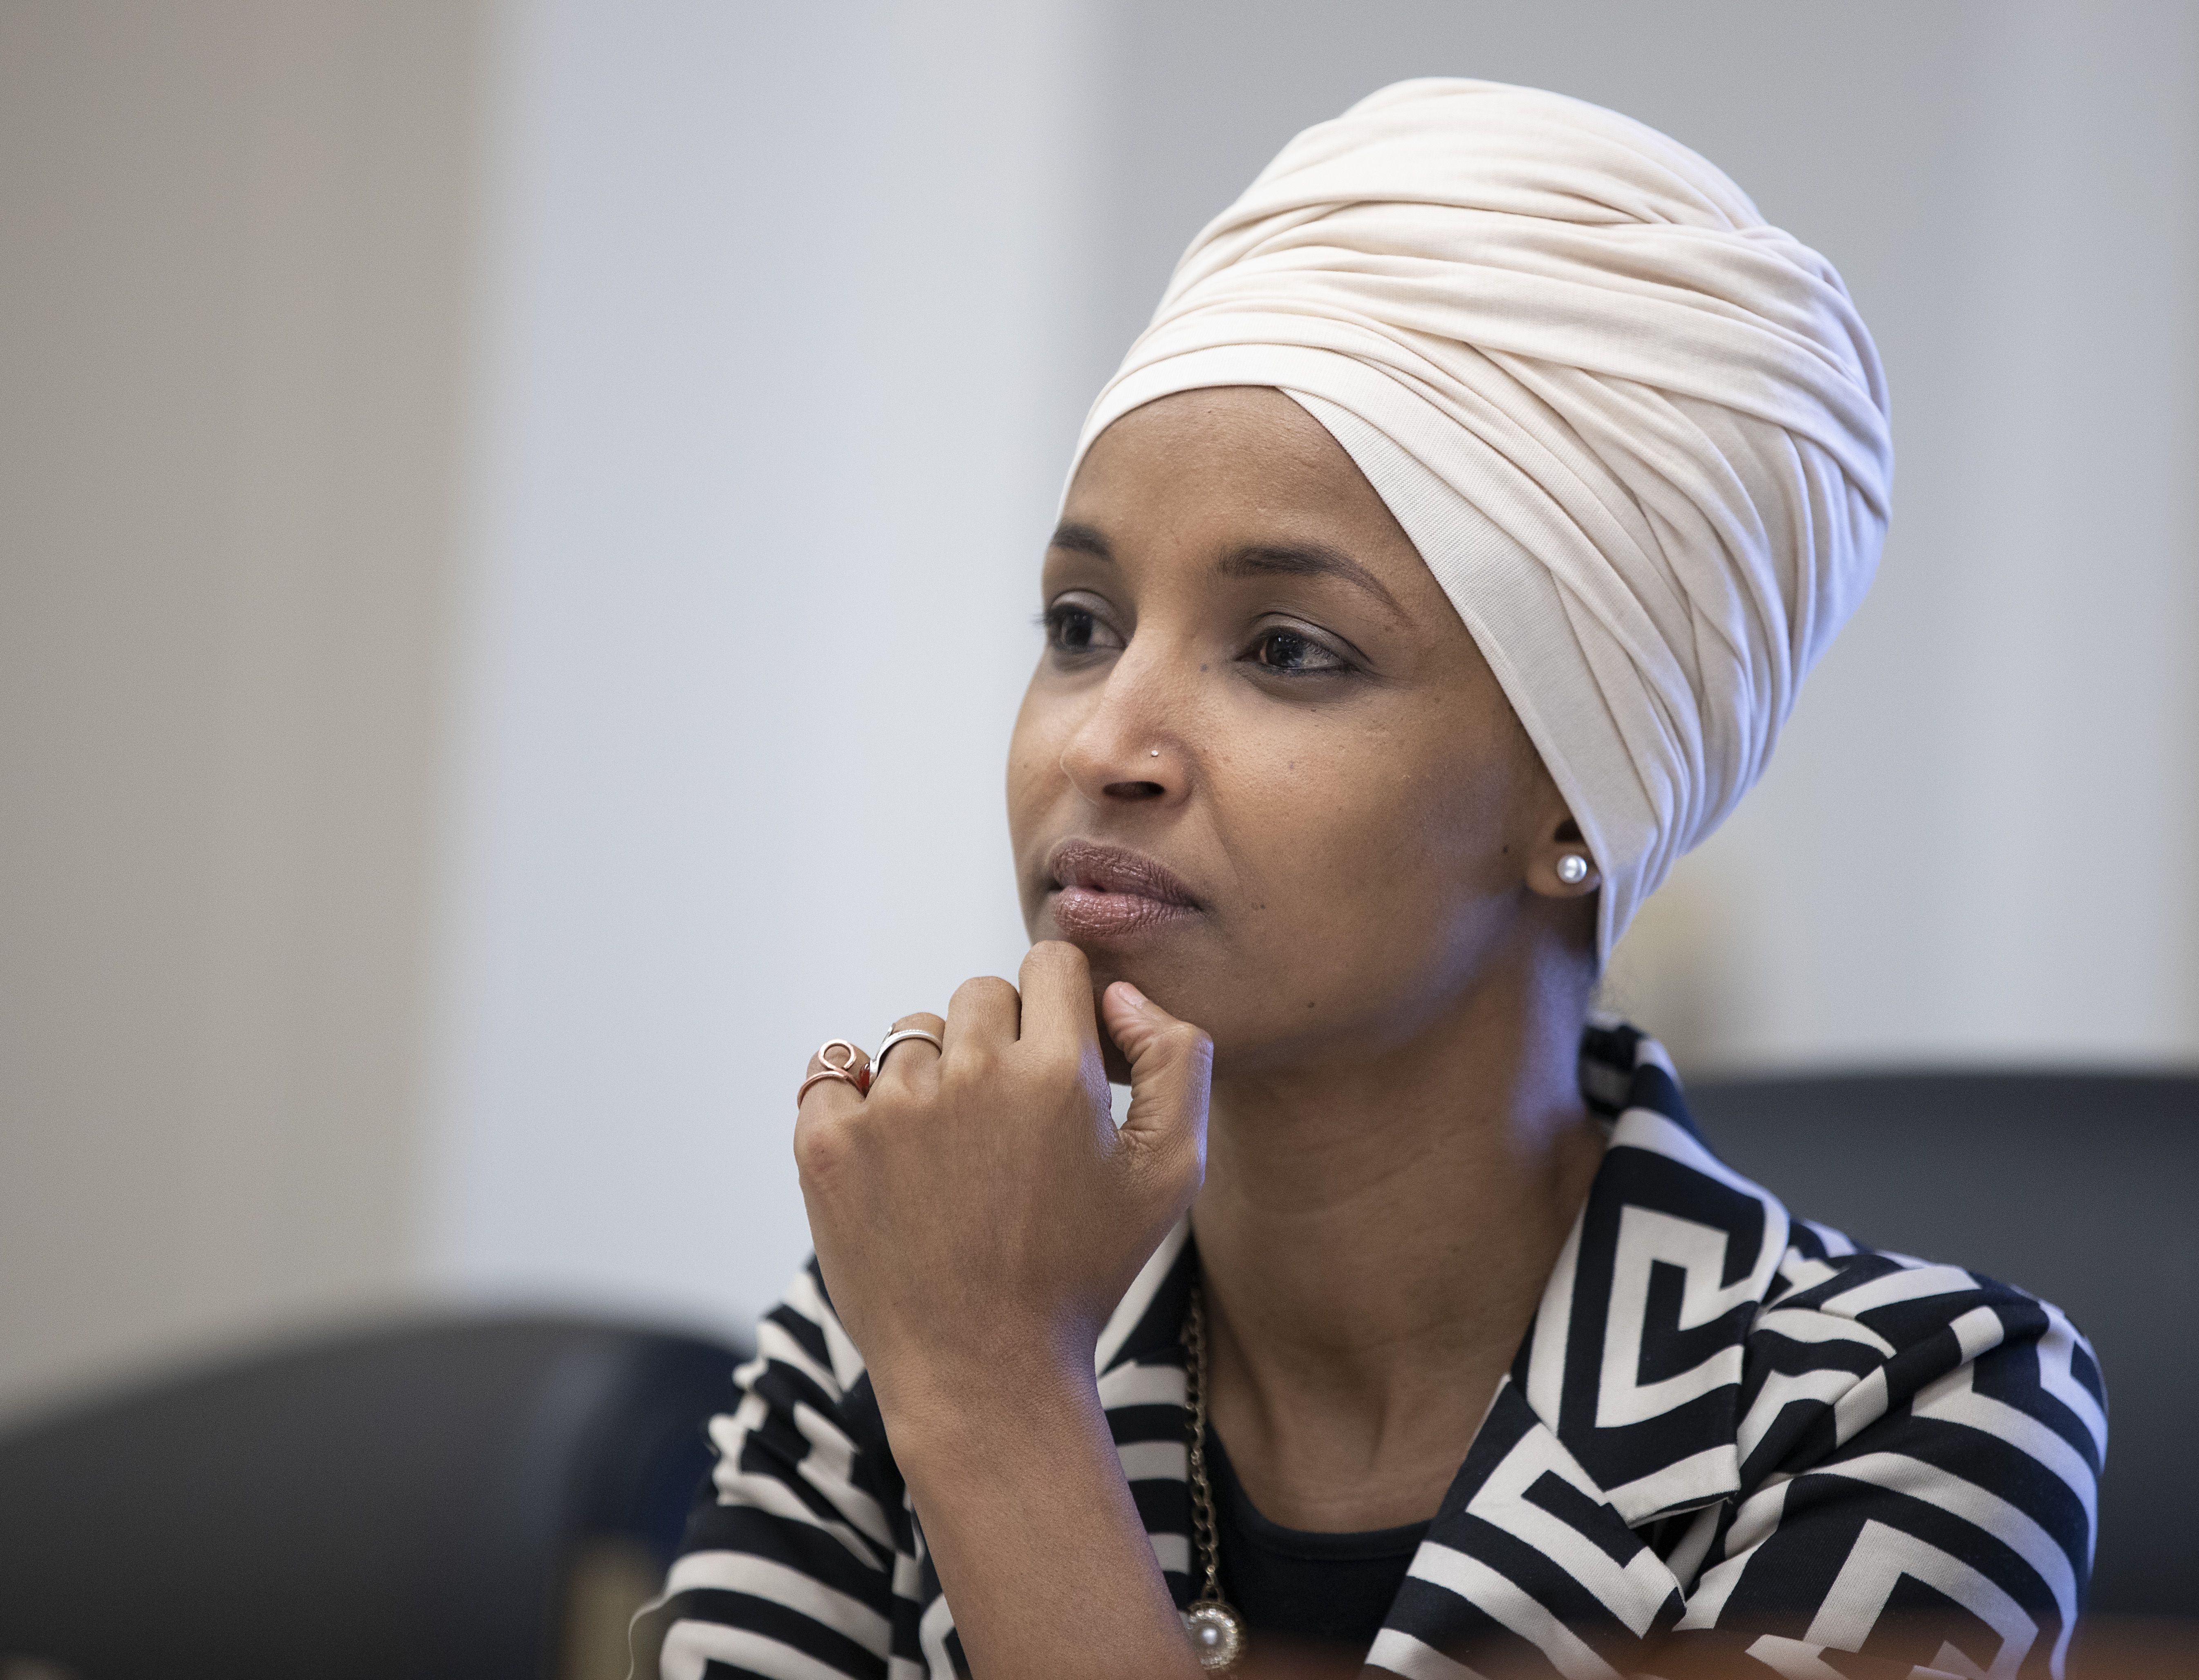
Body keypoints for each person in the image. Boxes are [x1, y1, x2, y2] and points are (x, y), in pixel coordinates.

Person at [638, 80, 2104, 1680]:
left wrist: (1001, 1401)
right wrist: (964, 1359)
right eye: (1080, 625)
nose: (1106, 739)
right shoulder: (887, 1324)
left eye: (1287, 650)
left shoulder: (1917, 1413)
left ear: (1575, 791)